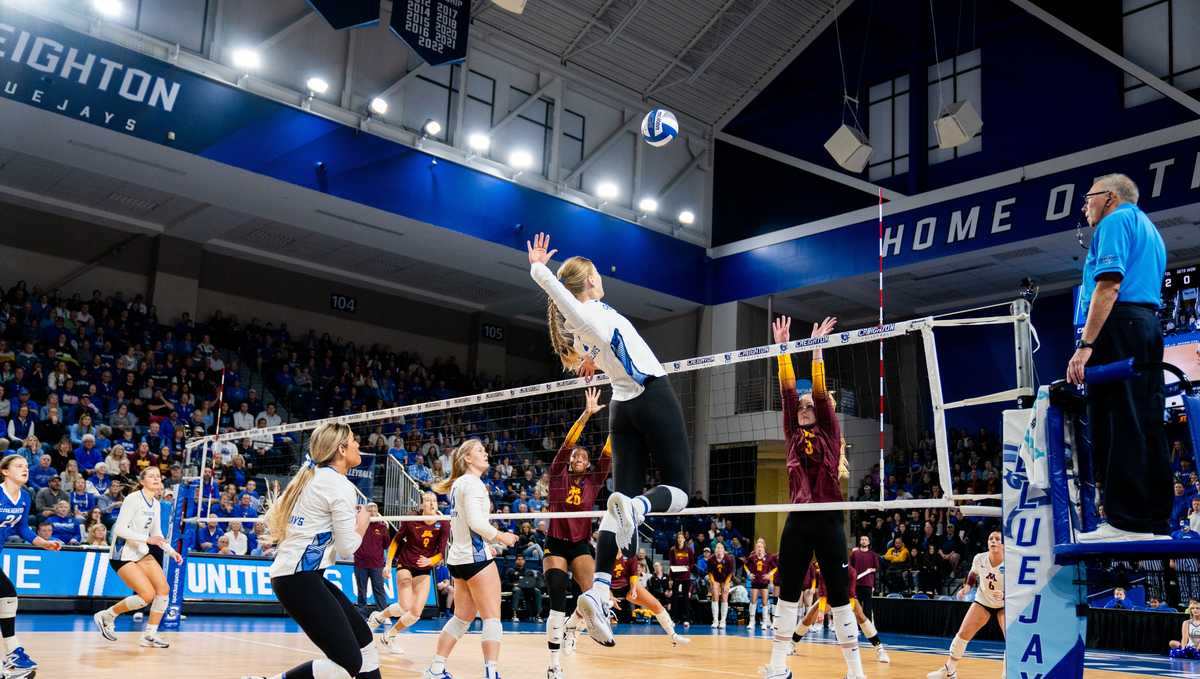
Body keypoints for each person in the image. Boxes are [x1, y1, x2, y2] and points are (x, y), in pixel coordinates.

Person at [527, 232, 691, 646]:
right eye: (596, 274)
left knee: (615, 513)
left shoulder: (580, 323)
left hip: (621, 409)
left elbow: (587, 333)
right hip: (650, 395)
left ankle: (599, 591)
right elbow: (573, 307)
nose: (601, 278)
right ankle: (637, 506)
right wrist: (541, 271)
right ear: (590, 284)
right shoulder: (586, 313)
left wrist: (588, 357)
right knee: (680, 492)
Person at [1066, 173, 1170, 540]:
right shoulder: (1150, 230)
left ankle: (1124, 522)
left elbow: (1108, 286)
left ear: (1108, 197)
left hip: (1119, 326)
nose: (1084, 206)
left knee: (1117, 420)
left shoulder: (1115, 221)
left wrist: (1085, 344)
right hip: (1146, 327)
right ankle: (1154, 520)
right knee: (1147, 422)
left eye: (1088, 197)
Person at [762, 314, 865, 679]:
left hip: (828, 518)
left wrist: (817, 348)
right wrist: (784, 349)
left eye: (810, 407)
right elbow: (788, 392)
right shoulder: (791, 430)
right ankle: (777, 665)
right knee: (788, 591)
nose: (804, 408)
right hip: (799, 519)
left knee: (839, 594)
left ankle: (855, 670)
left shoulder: (830, 433)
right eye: (801, 408)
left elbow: (818, 395)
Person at [243, 423, 380, 679]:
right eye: (353, 441)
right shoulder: (338, 486)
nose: (358, 444)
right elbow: (347, 547)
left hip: (303, 577)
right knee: (348, 663)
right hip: (297, 580)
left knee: (365, 642)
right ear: (341, 449)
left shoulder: (316, 477)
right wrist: (362, 524)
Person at [421, 439, 518, 679]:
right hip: (475, 559)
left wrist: (487, 543)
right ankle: (491, 672)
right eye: (479, 451)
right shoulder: (473, 484)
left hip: (459, 559)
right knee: (492, 617)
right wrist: (501, 537)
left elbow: (466, 524)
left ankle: (436, 668)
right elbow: (475, 522)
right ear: (467, 458)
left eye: (485, 450)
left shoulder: (458, 484)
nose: (485, 453)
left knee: (462, 617)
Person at [543, 388, 610, 679]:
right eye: (576, 454)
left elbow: (609, 451)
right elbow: (568, 443)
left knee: (593, 597)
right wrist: (586, 414)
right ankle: (554, 664)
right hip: (556, 544)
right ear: (571, 459)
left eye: (585, 454)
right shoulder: (559, 473)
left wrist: (618, 419)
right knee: (557, 594)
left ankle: (573, 626)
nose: (580, 456)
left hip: (580, 544)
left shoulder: (594, 482)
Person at [92, 466, 183, 648]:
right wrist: (147, 539)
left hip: (141, 551)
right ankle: (107, 615)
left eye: (158, 476)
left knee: (163, 590)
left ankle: (149, 635)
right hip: (123, 553)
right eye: (151, 476)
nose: (157, 479)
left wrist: (171, 551)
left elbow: (157, 534)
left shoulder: (156, 504)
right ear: (142, 481)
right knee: (146, 595)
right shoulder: (133, 499)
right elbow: (119, 529)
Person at [0, 454, 63, 677]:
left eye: (26, 466)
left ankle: (13, 653)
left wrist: (44, 543)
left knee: (7, 596)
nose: (25, 469)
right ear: (5, 471)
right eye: (19, 466)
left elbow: (22, 529)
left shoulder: (25, 497)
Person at [369, 492, 449, 655]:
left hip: (425, 568)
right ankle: (378, 617)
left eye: (434, 501)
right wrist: (388, 564)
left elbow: (441, 552)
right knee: (404, 606)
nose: (432, 503)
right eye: (427, 501)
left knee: (416, 613)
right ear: (422, 505)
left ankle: (389, 635)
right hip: (405, 563)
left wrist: (431, 561)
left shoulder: (444, 523)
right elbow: (396, 541)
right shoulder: (412, 519)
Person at [928, 531, 1005, 679]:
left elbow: (1018, 585)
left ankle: (1008, 674)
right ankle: (949, 670)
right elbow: (973, 573)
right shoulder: (979, 558)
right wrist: (967, 587)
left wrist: (1005, 593)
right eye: (990, 539)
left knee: (1012, 640)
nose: (993, 541)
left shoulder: (1011, 561)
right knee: (963, 634)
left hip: (1005, 604)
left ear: (1003, 544)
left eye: (997, 539)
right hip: (983, 601)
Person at [790, 562, 890, 663]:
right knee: (809, 616)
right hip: (829, 596)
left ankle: (880, 649)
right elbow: (823, 593)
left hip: (846, 596)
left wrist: (846, 615)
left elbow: (851, 594)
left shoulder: (851, 572)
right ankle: (792, 643)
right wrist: (820, 612)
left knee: (861, 616)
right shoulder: (824, 570)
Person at [608, 551, 688, 646]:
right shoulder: (606, 554)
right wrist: (610, 595)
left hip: (629, 586)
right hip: (608, 587)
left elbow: (633, 574)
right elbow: (601, 578)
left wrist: (633, 589)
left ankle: (673, 635)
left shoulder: (629, 553)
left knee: (656, 606)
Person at [354, 503, 391, 615]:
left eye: (374, 510)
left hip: (377, 565)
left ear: (377, 512)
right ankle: (362, 614)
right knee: (361, 591)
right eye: (369, 510)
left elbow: (386, 545)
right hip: (360, 564)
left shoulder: (382, 527)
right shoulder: (358, 525)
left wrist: (387, 529)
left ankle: (383, 614)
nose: (372, 512)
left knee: (379, 590)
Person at [743, 538, 777, 631]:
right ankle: (752, 622)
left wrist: (769, 575)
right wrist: (749, 574)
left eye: (761, 546)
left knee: (765, 602)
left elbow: (775, 568)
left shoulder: (769, 557)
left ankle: (765, 622)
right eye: (758, 546)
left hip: (764, 583)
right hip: (755, 583)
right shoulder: (752, 557)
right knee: (753, 601)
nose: (759, 548)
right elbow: (745, 565)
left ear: (764, 547)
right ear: (755, 547)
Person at [666, 531, 695, 628]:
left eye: (681, 538)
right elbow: (671, 564)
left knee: (686, 598)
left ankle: (686, 619)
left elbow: (692, 563)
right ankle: (673, 619)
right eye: (678, 538)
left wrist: (688, 568)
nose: (680, 539)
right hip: (676, 576)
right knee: (674, 598)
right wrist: (670, 578)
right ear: (677, 539)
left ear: (684, 539)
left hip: (686, 577)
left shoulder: (689, 550)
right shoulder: (672, 550)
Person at [848, 535, 880, 622]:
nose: (863, 541)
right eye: (862, 539)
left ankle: (868, 627)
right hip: (856, 584)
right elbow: (850, 567)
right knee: (856, 607)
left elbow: (877, 568)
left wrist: (871, 570)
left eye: (865, 540)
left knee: (867, 607)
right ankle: (856, 627)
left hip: (867, 584)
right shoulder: (855, 553)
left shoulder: (873, 554)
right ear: (860, 541)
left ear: (868, 542)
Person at [707, 542, 735, 629]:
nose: (719, 550)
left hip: (725, 578)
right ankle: (715, 620)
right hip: (715, 578)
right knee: (715, 595)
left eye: (721, 548)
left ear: (724, 550)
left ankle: (723, 621)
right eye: (717, 548)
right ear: (715, 550)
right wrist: (713, 583)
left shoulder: (729, 559)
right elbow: (710, 573)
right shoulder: (711, 559)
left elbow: (731, 573)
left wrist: (727, 583)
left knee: (724, 596)